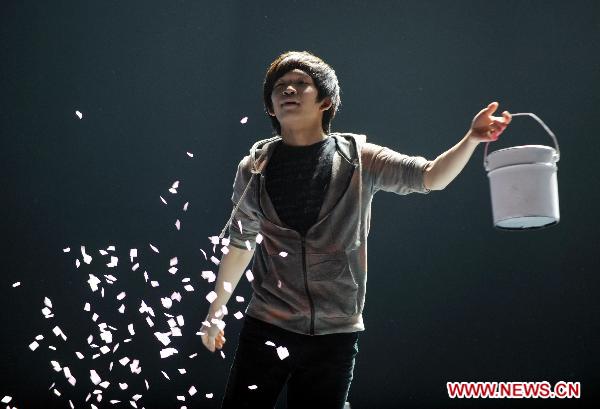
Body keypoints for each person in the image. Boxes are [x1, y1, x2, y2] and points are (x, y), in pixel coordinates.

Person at [200, 50, 512, 409]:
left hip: (336, 333)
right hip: (267, 325)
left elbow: (430, 177)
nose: (288, 89)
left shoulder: (361, 158)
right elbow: (241, 244)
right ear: (270, 107)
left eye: (301, 83)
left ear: (326, 100)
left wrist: (471, 138)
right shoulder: (254, 167)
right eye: (279, 87)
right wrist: (215, 313)